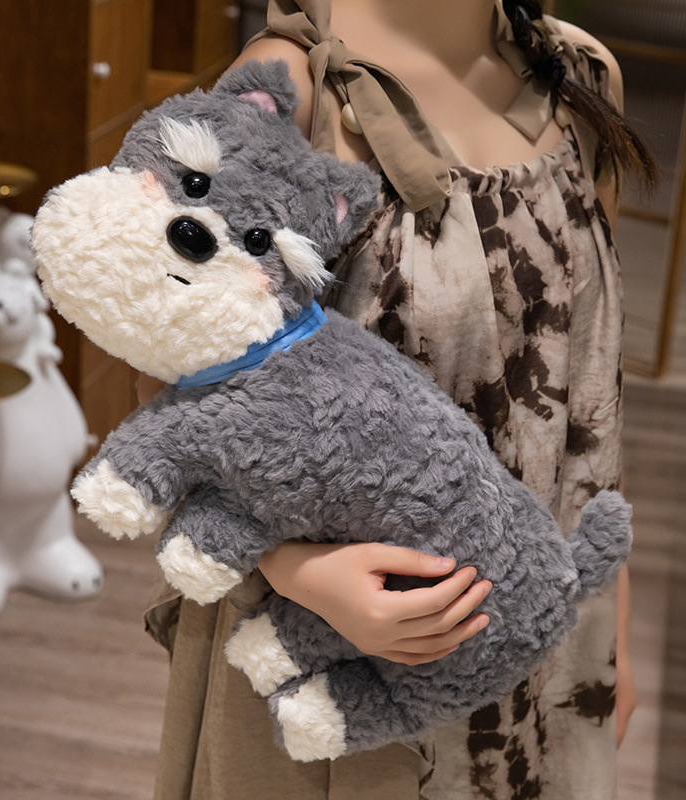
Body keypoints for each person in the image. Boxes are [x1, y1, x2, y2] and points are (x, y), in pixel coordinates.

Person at [141, 1, 655, 797]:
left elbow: (588, 386)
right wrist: (296, 570)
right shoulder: (291, 93)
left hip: (541, 634)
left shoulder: (581, 78)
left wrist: (608, 624)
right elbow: (177, 391)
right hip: (347, 665)